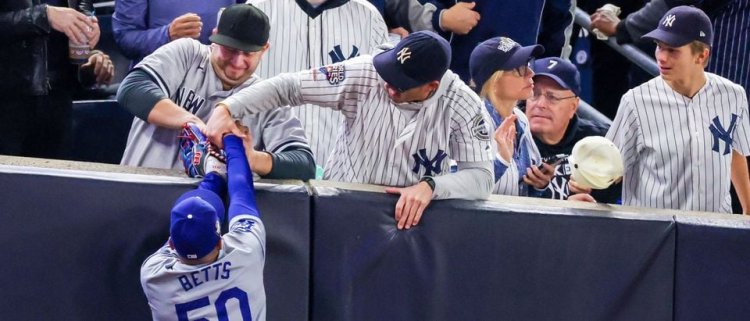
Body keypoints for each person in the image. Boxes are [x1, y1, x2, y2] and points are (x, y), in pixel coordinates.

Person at [205, 31, 494, 230]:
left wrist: (432, 186)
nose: (388, 85)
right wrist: (227, 108)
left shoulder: (463, 104)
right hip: (340, 205)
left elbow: (482, 178)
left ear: (431, 86)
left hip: (410, 223)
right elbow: (288, 86)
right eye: (389, 73)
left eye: (400, 84)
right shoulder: (367, 71)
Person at [117, 4, 315, 180]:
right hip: (141, 188)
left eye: (248, 53)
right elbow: (132, 88)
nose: (237, 62)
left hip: (214, 210)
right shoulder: (188, 54)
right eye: (230, 49)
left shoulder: (267, 96)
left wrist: (253, 158)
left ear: (264, 50)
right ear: (215, 37)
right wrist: (194, 124)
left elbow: (304, 164)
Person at [606, 6, 750, 213]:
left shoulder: (734, 95)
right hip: (654, 233)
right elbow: (611, 166)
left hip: (716, 230)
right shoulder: (635, 101)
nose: (661, 57)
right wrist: (582, 183)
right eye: (658, 46)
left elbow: (736, 151)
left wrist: (748, 209)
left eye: (672, 50)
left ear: (701, 56)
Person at [248, 0, 389, 168]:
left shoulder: (369, 17)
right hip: (270, 165)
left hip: (341, 171)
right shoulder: (259, 8)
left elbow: (384, 103)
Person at [141, 133, 267, 321]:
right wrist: (231, 140)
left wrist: (213, 177)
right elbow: (242, 193)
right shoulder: (246, 251)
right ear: (219, 241)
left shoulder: (154, 276)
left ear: (172, 245)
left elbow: (181, 236)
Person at [0, 1, 114, 159]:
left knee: (52, 180)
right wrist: (44, 16)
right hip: (8, 103)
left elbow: (82, 4)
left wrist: (87, 25)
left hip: (58, 102)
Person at [525, 57, 619, 203]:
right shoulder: (510, 136)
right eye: (534, 94)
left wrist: (596, 194)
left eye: (552, 97)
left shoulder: (602, 141)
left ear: (573, 107)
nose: (541, 104)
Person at [468, 37, 554, 196]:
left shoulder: (521, 119)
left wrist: (538, 184)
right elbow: (464, 188)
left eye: (527, 65)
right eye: (519, 69)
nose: (531, 73)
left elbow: (521, 192)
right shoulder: (471, 121)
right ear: (494, 80)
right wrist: (501, 161)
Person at [414, 0, 575, 82]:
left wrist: (542, 79)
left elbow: (559, 27)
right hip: (445, 76)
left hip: (515, 84)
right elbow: (407, 7)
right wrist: (441, 18)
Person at [112, 0, 243, 67]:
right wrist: (167, 35)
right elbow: (125, 39)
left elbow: (255, 14)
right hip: (162, 83)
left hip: (223, 80)